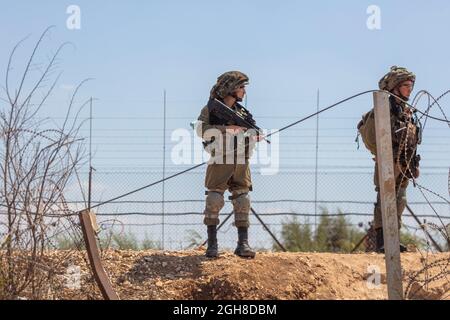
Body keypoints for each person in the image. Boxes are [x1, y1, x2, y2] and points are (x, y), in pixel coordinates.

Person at [195, 71, 262, 258]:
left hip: (241, 161)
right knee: (214, 199)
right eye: (241, 87)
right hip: (220, 160)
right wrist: (227, 129)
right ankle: (212, 245)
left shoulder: (242, 113)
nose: (244, 92)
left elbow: (252, 130)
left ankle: (243, 244)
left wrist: (255, 134)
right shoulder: (211, 109)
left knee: (243, 200)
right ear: (231, 88)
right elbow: (201, 130)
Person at [357, 66, 421, 253]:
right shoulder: (384, 108)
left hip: (403, 163)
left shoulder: (404, 111)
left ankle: (393, 238)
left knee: (399, 201)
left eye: (411, 85)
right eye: (406, 85)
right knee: (385, 199)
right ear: (395, 87)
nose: (410, 89)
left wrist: (413, 163)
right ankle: (383, 242)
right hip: (387, 162)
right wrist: (382, 154)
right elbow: (370, 135)